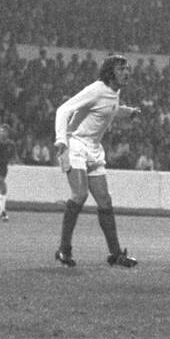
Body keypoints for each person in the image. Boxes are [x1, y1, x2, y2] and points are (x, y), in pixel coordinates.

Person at [53, 55, 142, 268]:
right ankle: (64, 250)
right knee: (80, 194)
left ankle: (116, 254)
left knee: (105, 201)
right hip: (75, 144)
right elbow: (63, 110)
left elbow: (108, 110)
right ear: (110, 72)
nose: (127, 72)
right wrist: (60, 139)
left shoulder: (114, 92)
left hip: (93, 148)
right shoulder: (96, 89)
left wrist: (127, 112)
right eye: (122, 69)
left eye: (127, 68)